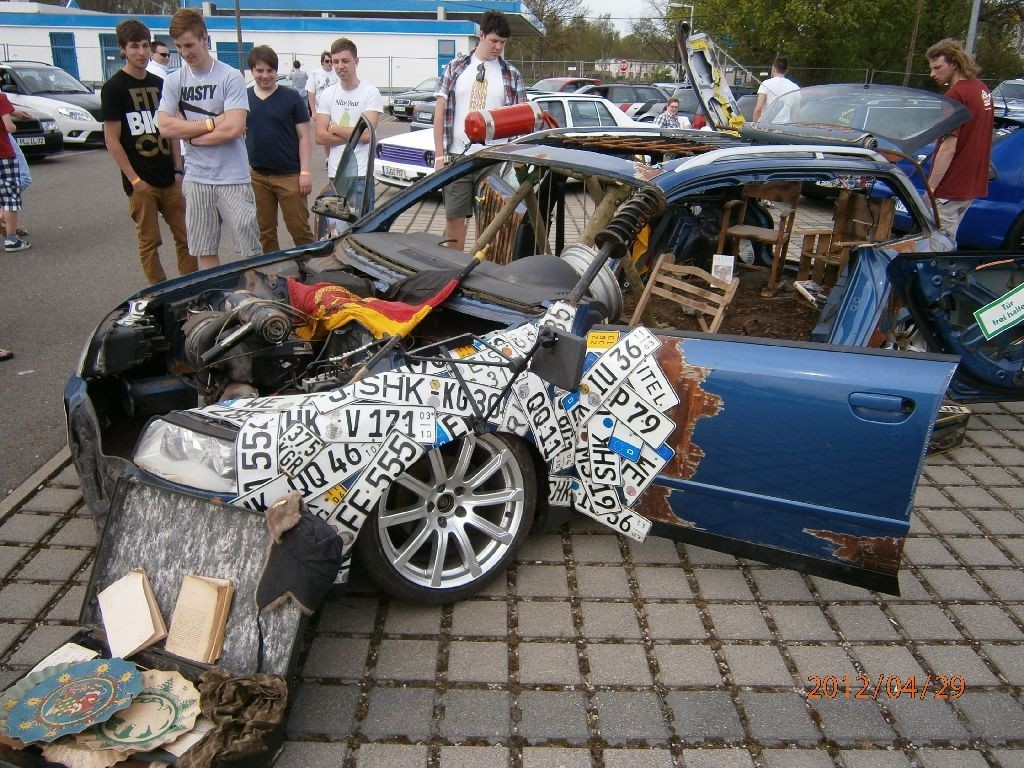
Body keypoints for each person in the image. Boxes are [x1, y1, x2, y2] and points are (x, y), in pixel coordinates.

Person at [157, 8, 261, 270]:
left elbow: (234, 128)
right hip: (197, 178)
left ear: (204, 38)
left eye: (189, 45)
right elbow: (165, 126)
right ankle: (214, 295)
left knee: (250, 251)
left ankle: (253, 293)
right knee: (204, 249)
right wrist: (211, 123)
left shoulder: (230, 77)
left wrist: (190, 136)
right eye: (179, 47)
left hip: (233, 178)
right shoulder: (174, 81)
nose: (184, 53)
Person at [102, 19, 195, 285]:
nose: (141, 52)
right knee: (149, 241)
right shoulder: (114, 88)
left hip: (170, 177)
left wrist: (178, 168)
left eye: (145, 46)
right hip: (141, 182)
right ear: (123, 49)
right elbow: (112, 140)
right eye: (134, 46)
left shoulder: (160, 83)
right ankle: (159, 291)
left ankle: (190, 286)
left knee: (186, 236)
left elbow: (172, 129)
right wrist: (134, 179)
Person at [432, 9, 527, 251]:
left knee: (489, 223)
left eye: (503, 42)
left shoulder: (511, 74)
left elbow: (523, 120)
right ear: (481, 35)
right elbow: (440, 112)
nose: (498, 47)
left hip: (494, 160)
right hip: (458, 157)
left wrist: (515, 160)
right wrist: (439, 156)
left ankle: (480, 268)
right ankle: (453, 267)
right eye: (494, 41)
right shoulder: (455, 68)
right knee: (454, 219)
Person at [246, 45, 314, 253]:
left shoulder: (291, 98)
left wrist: (305, 172)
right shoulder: (244, 98)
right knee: (265, 232)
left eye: (270, 70)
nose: (265, 75)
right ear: (252, 71)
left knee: (300, 230)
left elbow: (304, 137)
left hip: (290, 176)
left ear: (276, 71)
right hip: (258, 177)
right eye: (259, 70)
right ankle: (272, 270)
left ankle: (310, 267)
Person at [926, 38, 994, 241]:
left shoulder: (955, 95)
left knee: (939, 244)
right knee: (948, 239)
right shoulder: (982, 90)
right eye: (931, 68)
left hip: (950, 186)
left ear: (954, 63)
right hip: (970, 186)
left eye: (938, 68)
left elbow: (948, 147)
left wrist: (931, 188)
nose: (932, 74)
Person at [314, 38, 382, 212]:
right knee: (337, 226)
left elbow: (367, 135)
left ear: (356, 62)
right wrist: (355, 136)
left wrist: (334, 128)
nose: (340, 66)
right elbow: (320, 136)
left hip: (361, 175)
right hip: (336, 175)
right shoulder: (328, 94)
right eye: (335, 61)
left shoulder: (370, 93)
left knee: (362, 226)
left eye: (345, 61)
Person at [0, 91, 32, 252]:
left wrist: (13, 111)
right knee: (10, 196)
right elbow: (9, 127)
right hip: (4, 154)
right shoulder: (1, 98)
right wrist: (14, 125)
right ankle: (12, 240)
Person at [752, 56, 798, 121]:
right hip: (785, 126)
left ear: (773, 69)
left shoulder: (765, 84)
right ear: (786, 70)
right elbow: (796, 114)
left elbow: (758, 109)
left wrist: (755, 124)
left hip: (766, 125)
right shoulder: (795, 87)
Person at [308, 51, 338, 117]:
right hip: (320, 110)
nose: (329, 63)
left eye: (331, 61)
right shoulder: (314, 74)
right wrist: (313, 111)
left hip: (335, 110)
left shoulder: (337, 74)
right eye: (327, 61)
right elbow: (311, 93)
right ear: (322, 62)